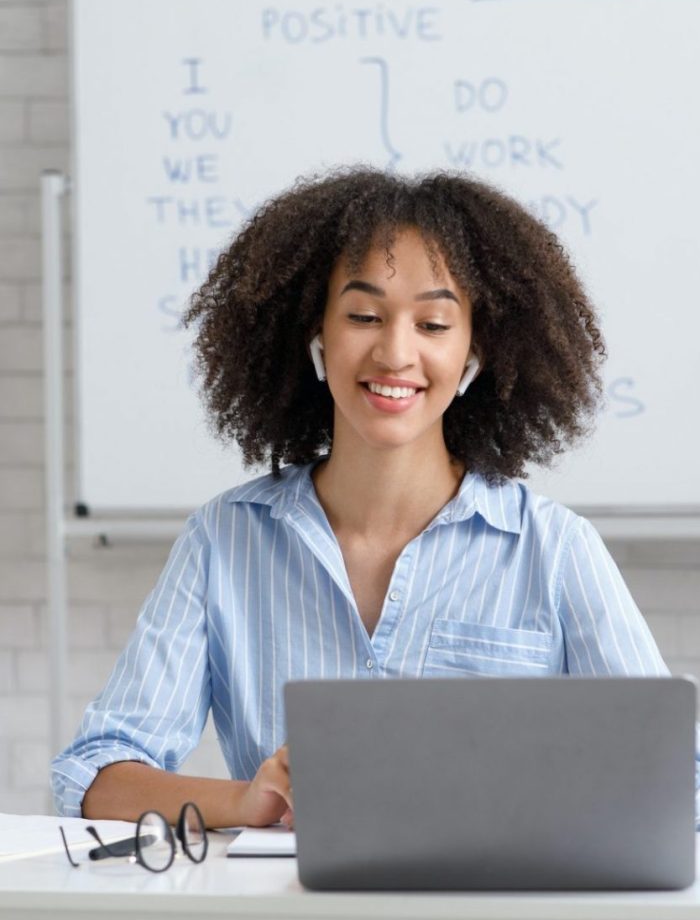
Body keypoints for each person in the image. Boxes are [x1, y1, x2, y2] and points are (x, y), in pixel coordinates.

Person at [51, 167, 696, 828]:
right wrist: (248, 803)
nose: (395, 352)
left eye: (434, 323)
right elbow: (94, 772)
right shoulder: (225, 539)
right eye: (363, 315)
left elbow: (682, 773)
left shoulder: (554, 550)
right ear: (317, 334)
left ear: (474, 348)